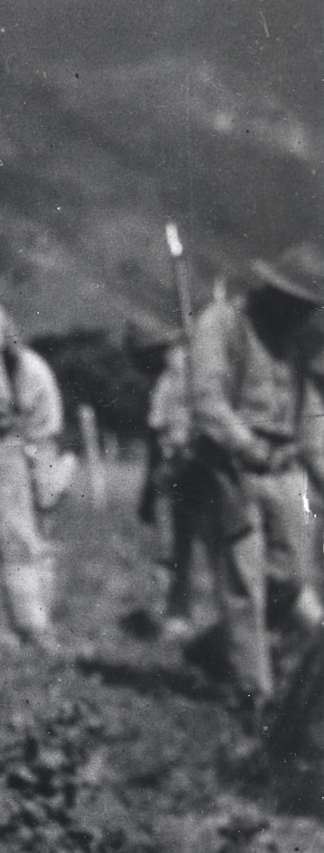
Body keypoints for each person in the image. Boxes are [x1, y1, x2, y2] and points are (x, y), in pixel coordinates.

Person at [190, 245, 324, 716]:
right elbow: (207, 403)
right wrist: (248, 447)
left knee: (293, 577)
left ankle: (214, 646)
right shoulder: (221, 325)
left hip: (283, 469)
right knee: (244, 583)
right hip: (232, 468)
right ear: (273, 291)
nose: (303, 314)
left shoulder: (295, 340)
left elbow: (307, 413)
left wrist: (317, 470)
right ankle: (255, 696)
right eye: (297, 302)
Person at [0, 301, 70, 651]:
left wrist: (42, 474)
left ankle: (30, 626)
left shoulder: (30, 371)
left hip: (6, 448)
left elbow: (44, 429)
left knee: (16, 541)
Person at [129, 320, 207, 638]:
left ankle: (179, 616)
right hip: (175, 471)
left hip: (186, 469)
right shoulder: (169, 378)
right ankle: (176, 615)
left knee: (180, 548)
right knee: (175, 547)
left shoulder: (183, 374)